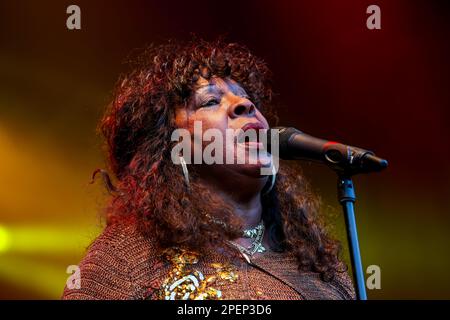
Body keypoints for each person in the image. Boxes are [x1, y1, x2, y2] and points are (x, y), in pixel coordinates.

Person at [62, 39, 355, 300]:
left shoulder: (315, 262)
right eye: (211, 101)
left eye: (247, 98)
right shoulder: (126, 259)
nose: (244, 104)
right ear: (170, 145)